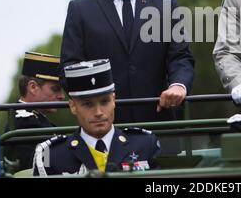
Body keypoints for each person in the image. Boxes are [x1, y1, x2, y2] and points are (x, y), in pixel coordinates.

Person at [61, 0, 194, 124]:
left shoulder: (166, 5)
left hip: (158, 126)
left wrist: (178, 86)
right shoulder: (80, 10)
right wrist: (97, 101)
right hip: (104, 129)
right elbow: (69, 68)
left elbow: (181, 58)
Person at [33, 59, 161, 176]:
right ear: (73, 106)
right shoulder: (49, 153)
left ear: (114, 100)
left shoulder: (145, 144)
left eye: (104, 102)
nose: (98, 112)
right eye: (88, 104)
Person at [4, 51, 65, 170]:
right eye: (55, 89)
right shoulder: (25, 122)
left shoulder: (33, 119)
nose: (62, 96)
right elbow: (41, 166)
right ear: (33, 87)